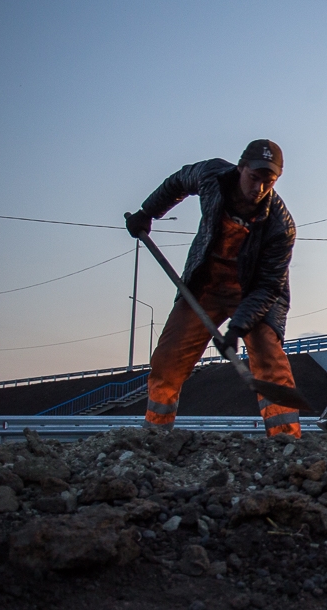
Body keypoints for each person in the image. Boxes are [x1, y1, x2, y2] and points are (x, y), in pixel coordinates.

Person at [125, 139, 301, 438]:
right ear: (241, 168)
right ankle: (155, 435)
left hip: (254, 294)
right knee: (167, 361)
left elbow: (268, 286)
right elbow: (179, 181)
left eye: (267, 182)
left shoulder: (280, 227)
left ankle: (287, 442)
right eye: (254, 178)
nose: (258, 188)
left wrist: (238, 328)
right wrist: (148, 212)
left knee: (270, 362)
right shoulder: (212, 177)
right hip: (205, 285)